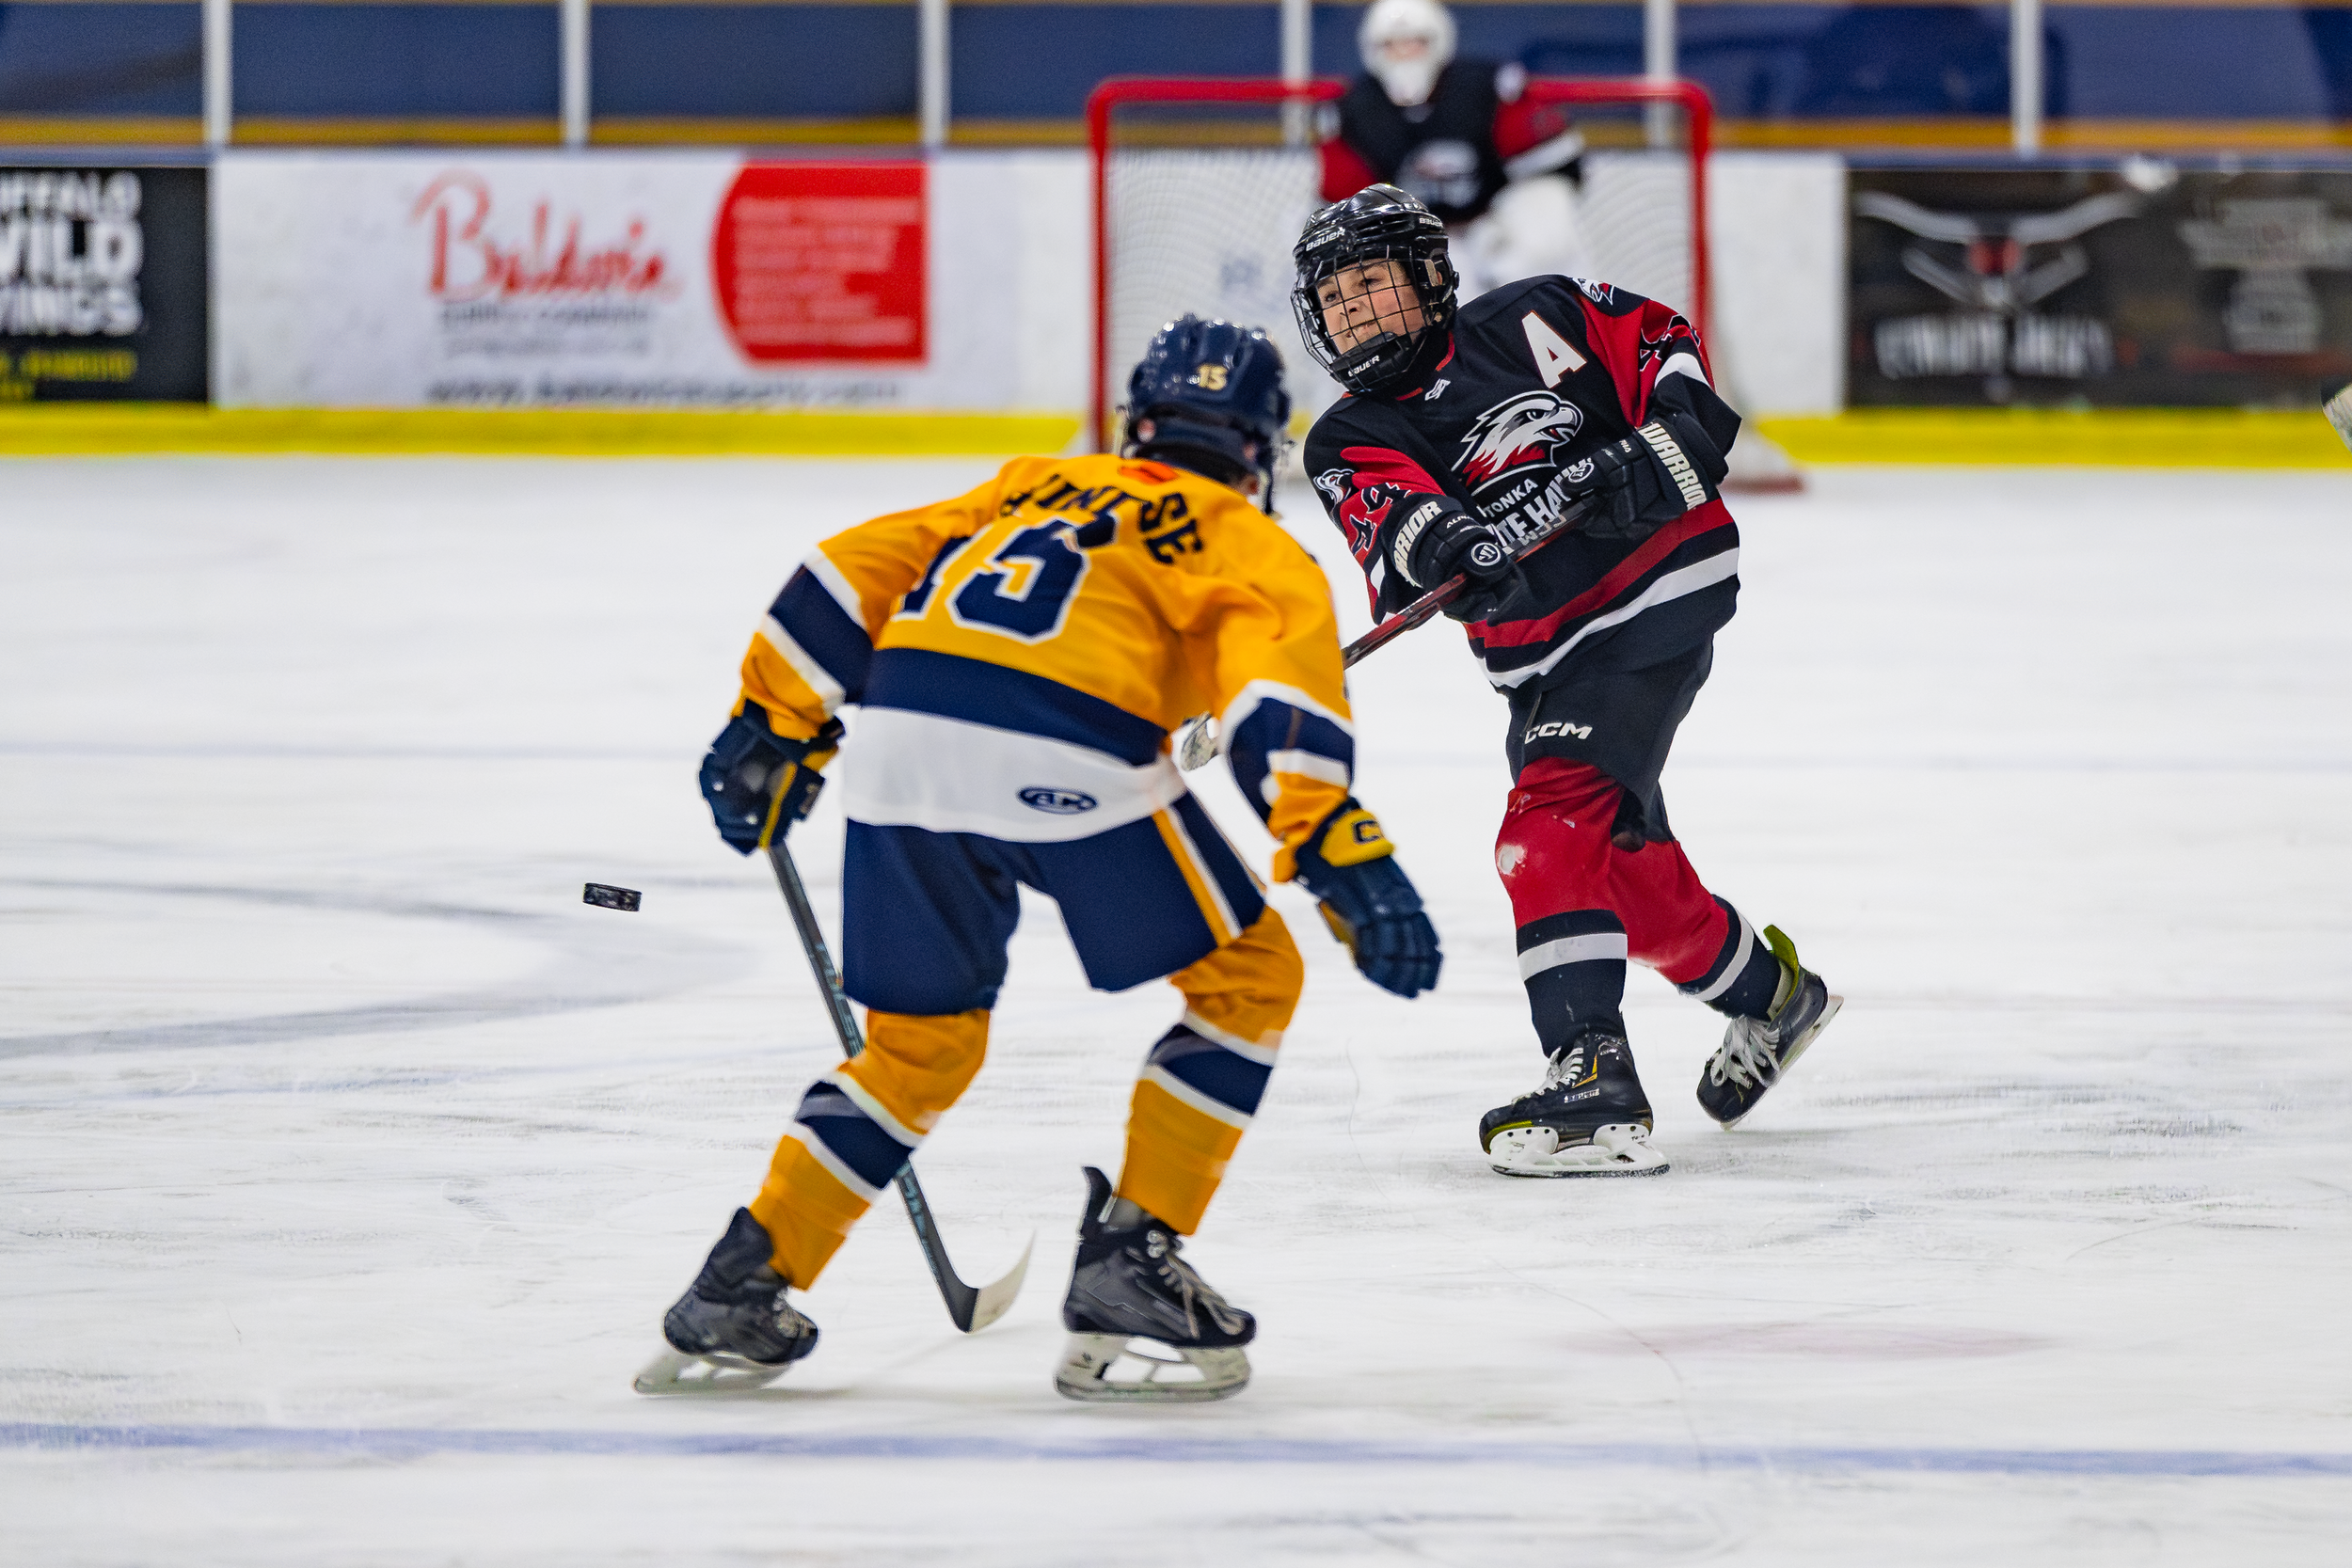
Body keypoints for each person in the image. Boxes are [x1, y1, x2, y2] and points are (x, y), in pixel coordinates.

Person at [648, 317, 1441, 1402]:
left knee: (915, 1050)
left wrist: (769, 724)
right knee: (1251, 977)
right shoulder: (1254, 543)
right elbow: (1275, 703)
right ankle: (1128, 1260)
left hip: (898, 745)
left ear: (1134, 422)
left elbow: (845, 573)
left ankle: (741, 1283)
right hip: (1061, 746)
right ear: (1261, 448)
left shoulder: (1031, 483)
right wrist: (1333, 841)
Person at [1290, 185, 1840, 1179]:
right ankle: (1771, 997)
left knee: (1540, 836)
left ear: (1425, 275)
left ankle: (1591, 1075)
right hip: (1541, 660)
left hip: (1655, 599)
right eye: (1333, 299)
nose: (1354, 311)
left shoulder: (1539, 314)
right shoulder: (1345, 437)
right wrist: (1457, 541)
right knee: (1625, 876)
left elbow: (1661, 344)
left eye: (1371, 282)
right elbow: (1403, 526)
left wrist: (1663, 435)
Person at [1318, 0, 1589, 298]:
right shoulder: (1353, 110)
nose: (1405, 55)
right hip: (1418, 234)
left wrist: (1511, 236)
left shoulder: (1486, 86)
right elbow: (1346, 201)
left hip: (1492, 216)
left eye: (1416, 43)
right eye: (1392, 45)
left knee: (1546, 228)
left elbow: (1552, 164)